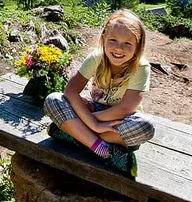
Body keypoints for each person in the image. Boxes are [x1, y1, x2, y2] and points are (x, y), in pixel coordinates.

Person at [42, 10, 156, 177]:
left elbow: (125, 108)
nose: (118, 48)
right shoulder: (97, 57)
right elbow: (71, 91)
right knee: (53, 100)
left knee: (145, 126)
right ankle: (104, 151)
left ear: (138, 46)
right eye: (113, 40)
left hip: (119, 120)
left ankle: (75, 135)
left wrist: (88, 120)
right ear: (103, 38)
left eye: (127, 44)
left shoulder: (141, 67)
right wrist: (94, 125)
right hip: (95, 113)